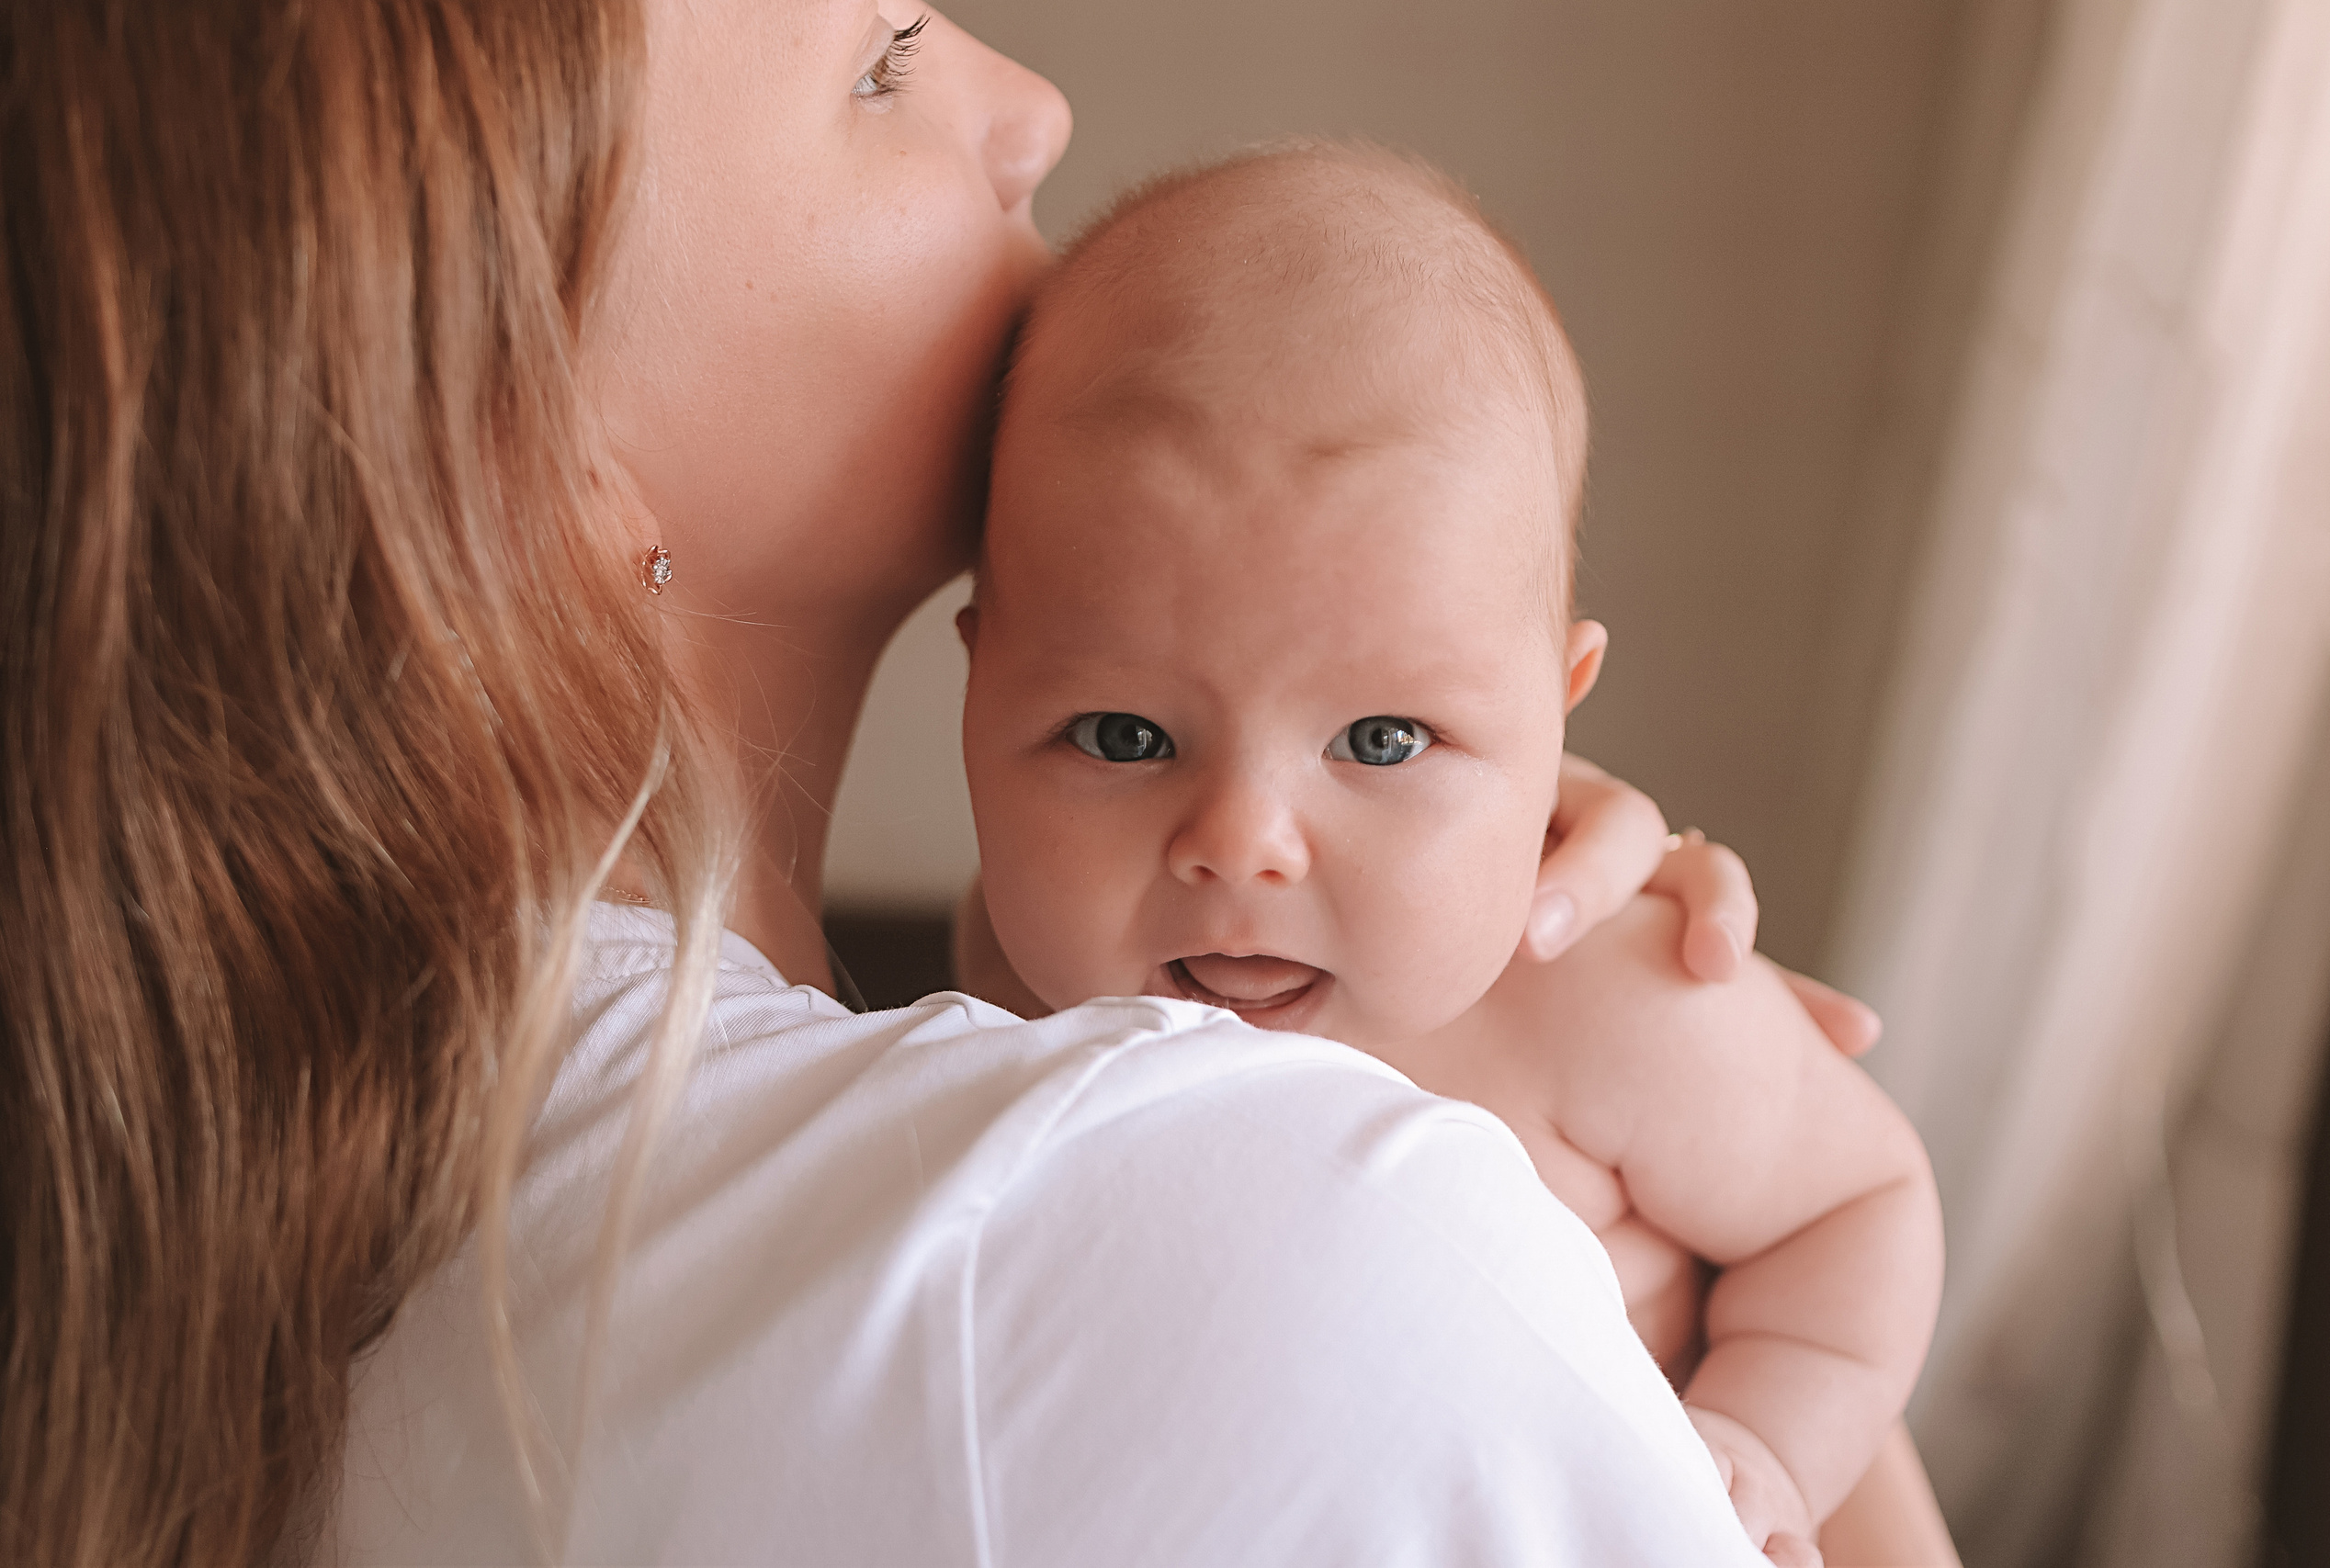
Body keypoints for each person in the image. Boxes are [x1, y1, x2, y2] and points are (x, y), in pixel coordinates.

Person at [0, 4, 1878, 1565]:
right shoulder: (1227, 1240)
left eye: (1382, 736)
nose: (1029, 108)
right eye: (879, 61)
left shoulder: (277, 1176)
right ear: (530, 464)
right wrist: (1701, 1288)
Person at [953, 142, 1943, 1565]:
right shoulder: (1019, 966)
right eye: (1120, 735)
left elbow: (1863, 1200)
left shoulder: (1612, 997)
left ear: (1555, 719)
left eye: (1381, 743)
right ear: (983, 691)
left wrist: (1765, 1439)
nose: (1240, 846)